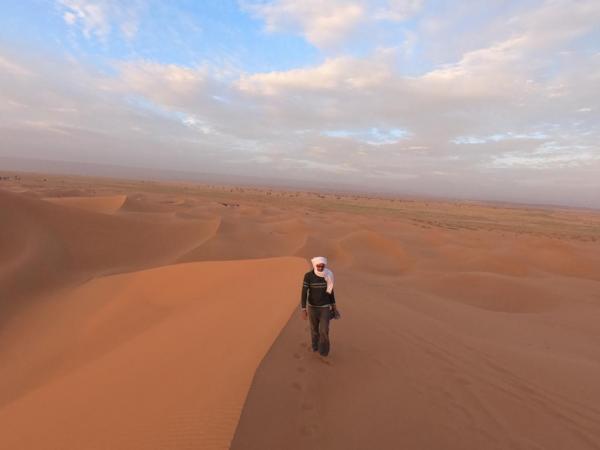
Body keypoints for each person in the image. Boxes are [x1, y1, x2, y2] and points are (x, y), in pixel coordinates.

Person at [301, 256, 338, 357]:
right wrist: (303, 309)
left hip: (325, 307)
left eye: (322, 266)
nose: (321, 268)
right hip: (312, 307)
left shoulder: (328, 275)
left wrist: (334, 307)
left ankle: (324, 351)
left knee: (324, 330)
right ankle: (315, 346)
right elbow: (304, 292)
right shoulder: (308, 276)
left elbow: (331, 292)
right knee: (314, 329)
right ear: (314, 265)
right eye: (318, 266)